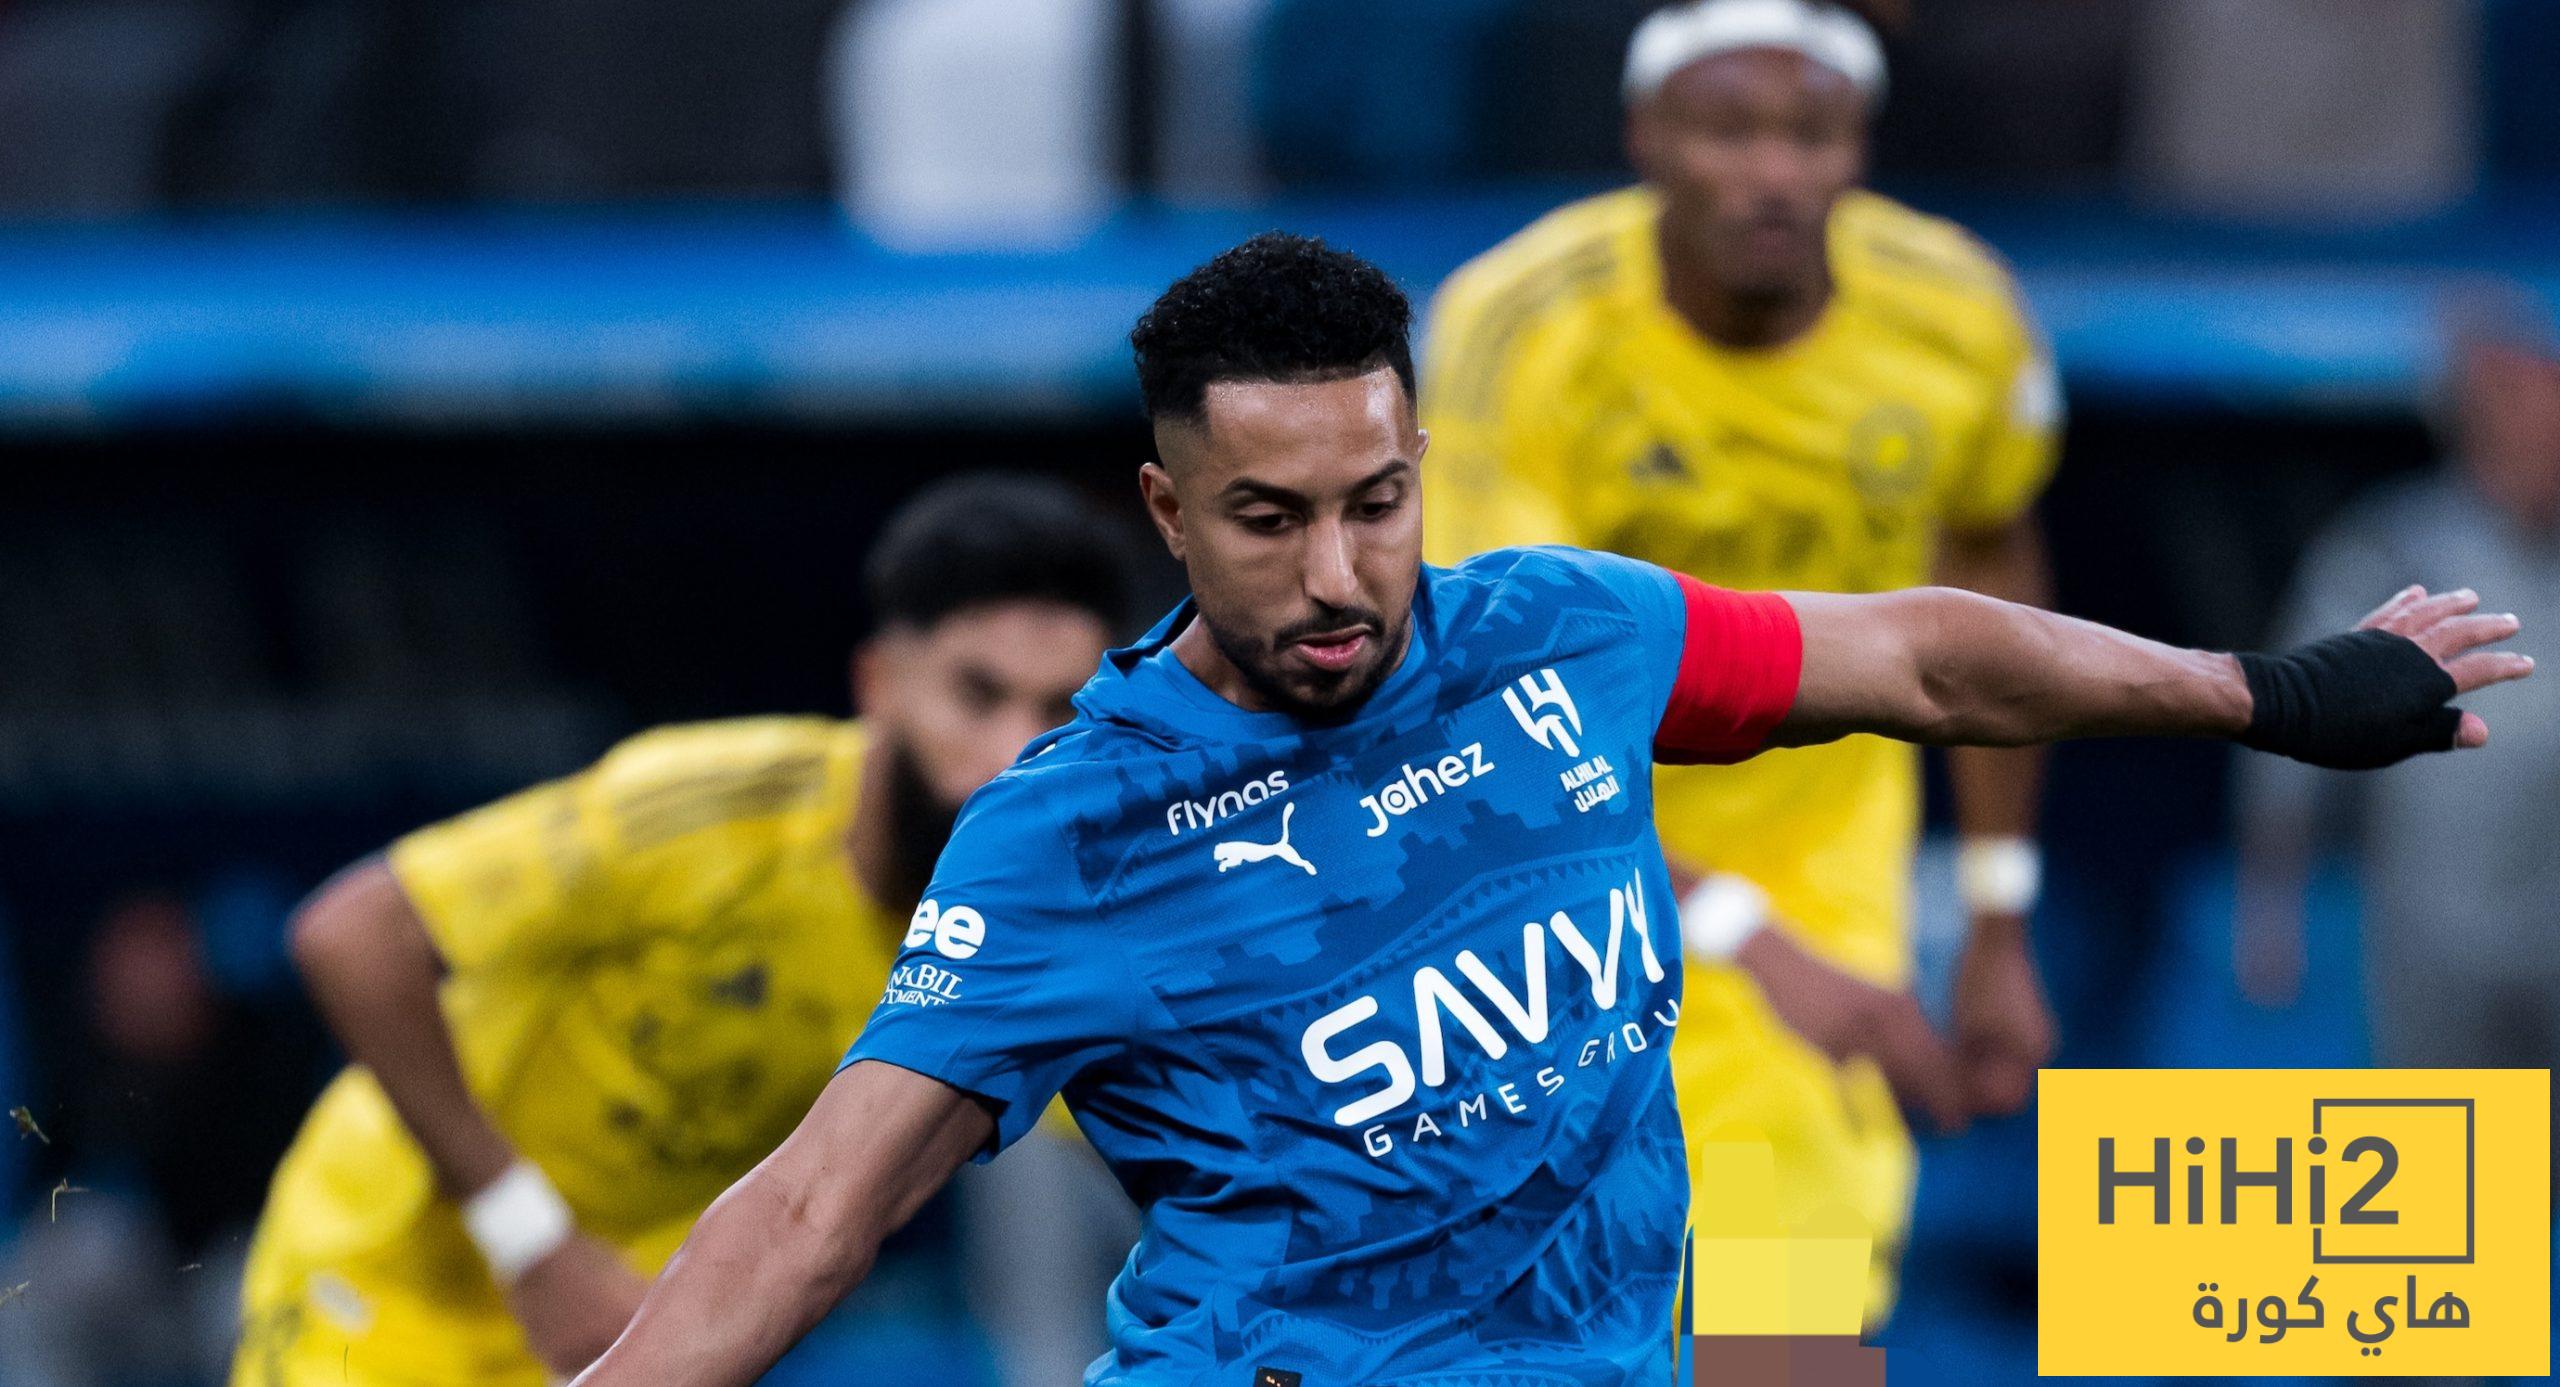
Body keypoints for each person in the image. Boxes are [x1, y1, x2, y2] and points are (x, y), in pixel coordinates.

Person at [565, 232, 2527, 1387]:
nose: (1335, 574)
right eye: (1266, 521)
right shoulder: (1071, 831)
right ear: (1167, 516)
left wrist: (2255, 695)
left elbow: (1922, 654)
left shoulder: (1556, 636)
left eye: (1374, 501)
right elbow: (815, 1210)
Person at [1419, 0, 2060, 1322]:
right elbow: (1492, 700)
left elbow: (1994, 563)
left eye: (1810, 133)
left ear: (1858, 148)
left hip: (1827, 899)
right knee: (1560, 1316)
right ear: (1648, 137)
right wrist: (1738, 933)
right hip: (1545, 898)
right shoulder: (1520, 328)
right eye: (1729, 129)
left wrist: (1998, 910)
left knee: (1791, 1324)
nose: (1773, 170)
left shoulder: (1956, 317)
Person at [229, 473, 1133, 1387]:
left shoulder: (1038, 936)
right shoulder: (707, 812)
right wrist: (531, 1241)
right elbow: (351, 934)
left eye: (1060, 710)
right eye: (978, 696)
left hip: (624, 1327)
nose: (1017, 754)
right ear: (879, 685)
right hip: (392, 1276)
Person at [2237, 314, 2560, 1161]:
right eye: (2525, 398)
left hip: (2552, 916)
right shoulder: (2393, 546)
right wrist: (2271, 906)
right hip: (2434, 927)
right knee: (2450, 1162)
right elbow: (2291, 721)